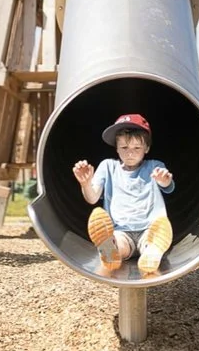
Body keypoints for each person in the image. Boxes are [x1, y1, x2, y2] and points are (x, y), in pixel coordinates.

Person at [71, 112, 175, 278]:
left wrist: (164, 180)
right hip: (121, 231)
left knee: (153, 240)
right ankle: (109, 252)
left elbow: (168, 186)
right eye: (124, 148)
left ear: (146, 148)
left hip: (150, 227)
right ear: (117, 148)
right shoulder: (108, 167)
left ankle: (152, 253)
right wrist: (85, 183)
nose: (130, 153)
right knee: (117, 244)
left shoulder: (154, 166)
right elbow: (92, 198)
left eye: (137, 148)